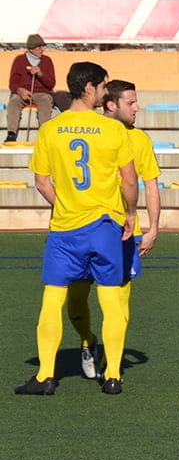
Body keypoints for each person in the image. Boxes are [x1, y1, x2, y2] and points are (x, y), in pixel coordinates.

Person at [16, 62, 138, 396]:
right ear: (89, 88)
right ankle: (113, 375)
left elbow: (42, 182)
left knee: (52, 301)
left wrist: (66, 205)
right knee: (112, 303)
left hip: (65, 230)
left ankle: (45, 376)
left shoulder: (50, 129)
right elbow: (129, 178)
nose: (104, 92)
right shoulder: (112, 130)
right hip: (104, 226)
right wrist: (130, 213)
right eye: (102, 86)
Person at [65, 80, 161, 384]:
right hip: (82, 228)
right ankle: (87, 341)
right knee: (76, 299)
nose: (137, 108)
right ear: (111, 105)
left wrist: (154, 227)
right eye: (131, 103)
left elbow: (151, 184)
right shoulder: (89, 133)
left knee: (119, 303)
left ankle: (113, 371)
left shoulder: (140, 140)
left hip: (125, 233)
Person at [7, 34, 56, 142]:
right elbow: (12, 83)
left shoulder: (47, 60)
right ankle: (11, 134)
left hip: (41, 92)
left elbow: (51, 84)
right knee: (14, 101)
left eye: (42, 47)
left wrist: (41, 74)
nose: (41, 50)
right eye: (38, 48)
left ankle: (45, 133)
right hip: (23, 92)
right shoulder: (19, 60)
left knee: (45, 100)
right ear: (30, 49)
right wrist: (19, 90)